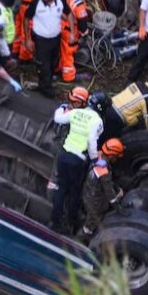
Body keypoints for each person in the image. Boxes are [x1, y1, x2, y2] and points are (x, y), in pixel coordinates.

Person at [50, 90, 103, 233]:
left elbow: (58, 118)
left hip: (64, 155)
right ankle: (71, 222)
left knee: (61, 188)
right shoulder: (97, 121)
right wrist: (95, 160)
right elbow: (92, 142)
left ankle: (55, 222)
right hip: (77, 160)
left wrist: (61, 108)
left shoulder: (75, 113)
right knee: (74, 192)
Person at [24, 0, 69, 97]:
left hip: (55, 38)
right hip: (41, 40)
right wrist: (28, 39)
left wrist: (73, 32)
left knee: (54, 62)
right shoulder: (36, 3)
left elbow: (68, 13)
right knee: (43, 65)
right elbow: (27, 18)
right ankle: (46, 90)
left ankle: (48, 79)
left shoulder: (60, 1)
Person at [81, 138, 126, 236]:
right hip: (94, 200)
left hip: (87, 190)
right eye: (116, 157)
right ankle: (85, 235)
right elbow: (109, 193)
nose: (117, 159)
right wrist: (118, 208)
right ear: (111, 156)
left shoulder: (98, 154)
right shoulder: (104, 171)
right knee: (94, 218)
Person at [56, 0, 92, 83]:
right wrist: (84, 33)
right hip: (68, 30)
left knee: (59, 50)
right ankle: (69, 76)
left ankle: (57, 69)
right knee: (68, 53)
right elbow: (82, 20)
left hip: (57, 26)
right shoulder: (77, 1)